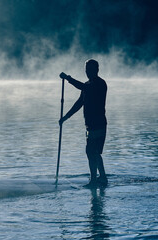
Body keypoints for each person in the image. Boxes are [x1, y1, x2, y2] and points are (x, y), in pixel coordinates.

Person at [59, 59, 108, 188]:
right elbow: (79, 103)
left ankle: (95, 180)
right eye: (86, 70)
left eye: (90, 69)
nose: (87, 72)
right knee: (93, 152)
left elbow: (84, 87)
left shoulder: (99, 84)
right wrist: (65, 118)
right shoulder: (87, 85)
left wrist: (68, 78)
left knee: (92, 151)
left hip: (99, 124)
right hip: (90, 125)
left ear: (96, 70)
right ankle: (102, 177)